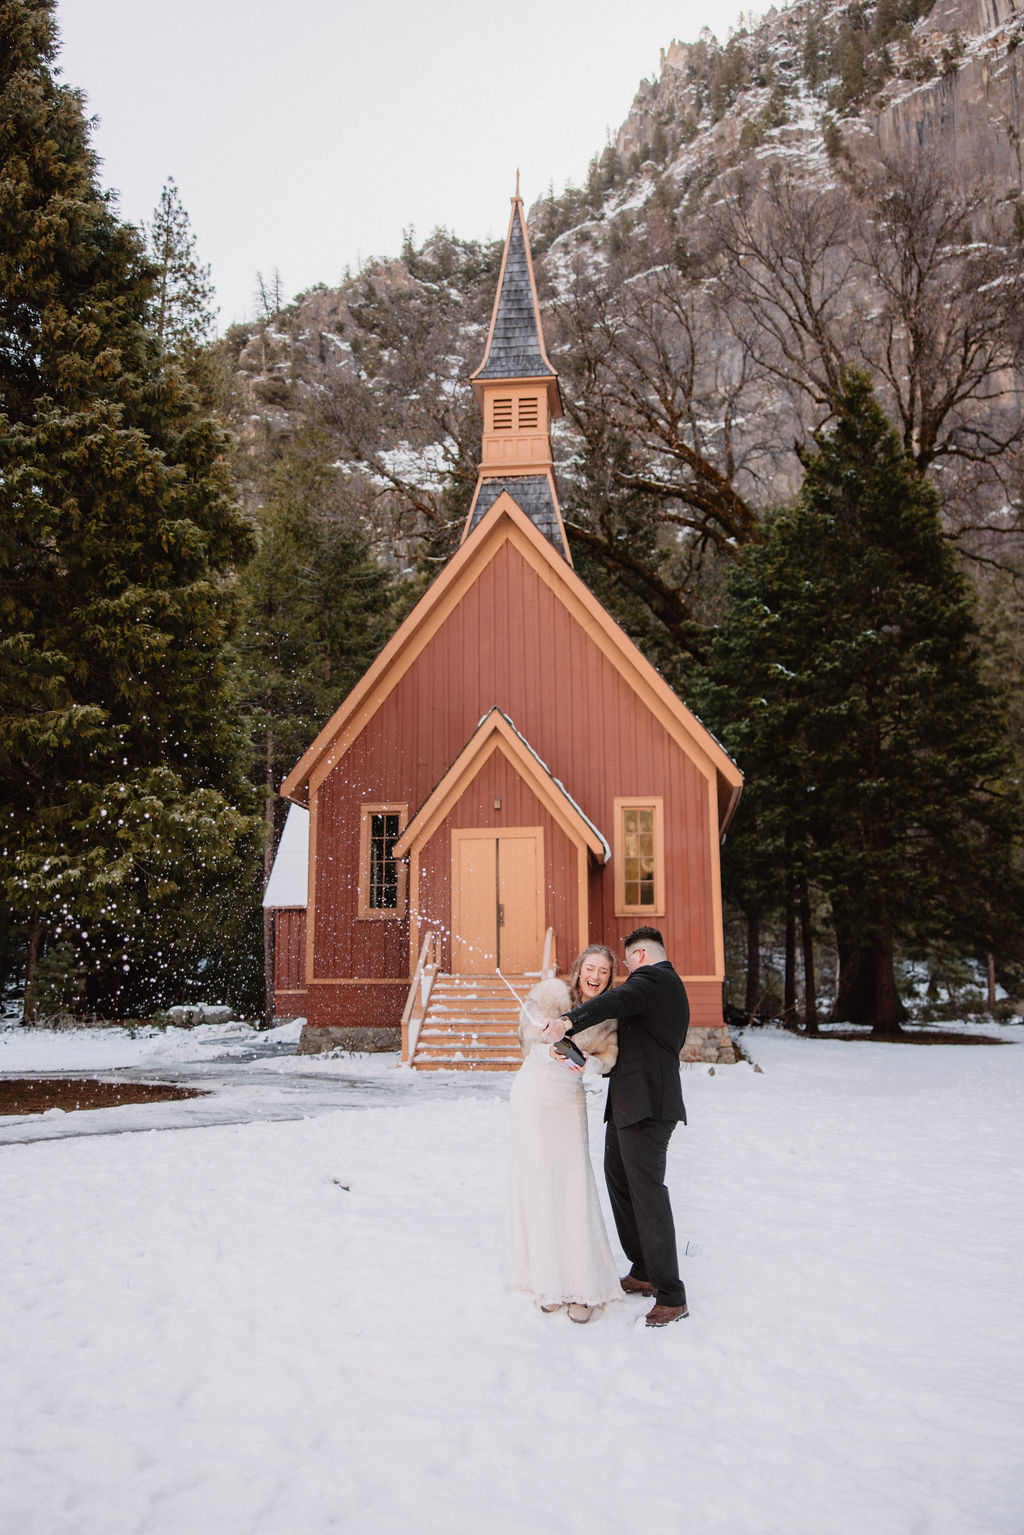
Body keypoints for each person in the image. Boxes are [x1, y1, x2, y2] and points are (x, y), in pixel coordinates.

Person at [541, 926, 690, 1327]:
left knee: (646, 1192)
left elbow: (616, 1000)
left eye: (625, 962)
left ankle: (672, 1294)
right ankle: (643, 1268)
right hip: (629, 1103)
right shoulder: (657, 987)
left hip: (648, 1106)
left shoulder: (654, 980)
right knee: (619, 1181)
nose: (624, 970)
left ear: (639, 955)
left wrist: (567, 1021)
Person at [505, 947, 622, 1324]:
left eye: (603, 971)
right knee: (539, 1179)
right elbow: (527, 1025)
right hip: (534, 1093)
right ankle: (547, 1280)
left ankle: (582, 1285)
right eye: (590, 968)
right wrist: (544, 1038)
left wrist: (588, 1062)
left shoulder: (607, 1018)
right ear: (578, 970)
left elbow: (608, 1058)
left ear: (609, 977)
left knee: (573, 1181)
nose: (595, 975)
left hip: (567, 1101)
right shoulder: (553, 993)